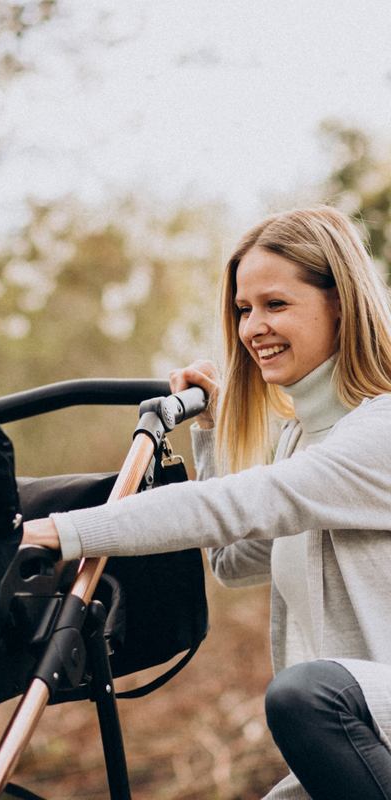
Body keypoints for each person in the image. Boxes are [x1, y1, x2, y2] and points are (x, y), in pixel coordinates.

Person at [23, 206, 391, 800]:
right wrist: (212, 435)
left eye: (276, 305)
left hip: (361, 712)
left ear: (340, 303)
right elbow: (236, 560)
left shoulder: (381, 430)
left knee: (305, 694)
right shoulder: (304, 436)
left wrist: (59, 531)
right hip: (359, 734)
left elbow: (241, 502)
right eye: (244, 310)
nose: (252, 329)